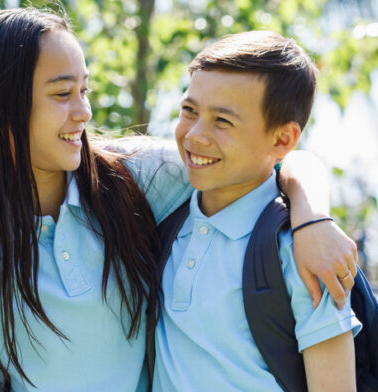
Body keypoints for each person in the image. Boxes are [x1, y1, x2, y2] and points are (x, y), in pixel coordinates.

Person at [0, 9, 358, 392]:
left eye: (83, 90)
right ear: (2, 112)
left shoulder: (131, 179)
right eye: (62, 95)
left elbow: (268, 159)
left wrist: (312, 216)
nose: (83, 112)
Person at [153, 31, 361, 391]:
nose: (195, 136)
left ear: (282, 140)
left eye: (223, 121)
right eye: (189, 110)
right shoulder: (165, 213)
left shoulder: (302, 255)